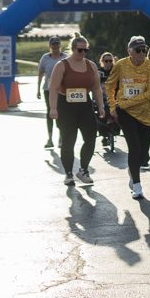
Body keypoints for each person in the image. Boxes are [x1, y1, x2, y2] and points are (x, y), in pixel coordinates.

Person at [105, 36, 150, 200]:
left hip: (146, 113)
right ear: (130, 51)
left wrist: (127, 103)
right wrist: (113, 106)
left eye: (144, 50)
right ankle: (137, 185)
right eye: (138, 50)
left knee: (143, 153)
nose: (142, 53)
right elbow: (109, 85)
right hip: (125, 113)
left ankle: (133, 170)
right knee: (134, 147)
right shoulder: (121, 65)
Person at [48, 36, 104, 186]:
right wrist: (53, 108)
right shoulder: (62, 65)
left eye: (86, 50)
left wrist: (101, 106)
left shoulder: (91, 65)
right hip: (66, 106)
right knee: (68, 141)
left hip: (85, 105)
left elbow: (96, 88)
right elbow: (53, 88)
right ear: (73, 49)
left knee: (90, 138)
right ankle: (68, 174)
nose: (83, 53)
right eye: (80, 50)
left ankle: (83, 170)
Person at [37, 37, 67, 148]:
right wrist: (37, 89)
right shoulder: (45, 58)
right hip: (48, 89)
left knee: (61, 113)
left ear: (60, 45)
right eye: (53, 44)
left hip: (62, 90)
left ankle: (61, 137)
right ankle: (50, 139)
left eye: (57, 44)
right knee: (50, 112)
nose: (55, 46)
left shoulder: (65, 57)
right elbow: (40, 73)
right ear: (50, 46)